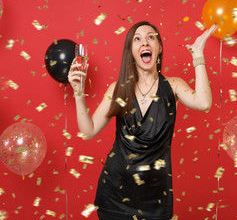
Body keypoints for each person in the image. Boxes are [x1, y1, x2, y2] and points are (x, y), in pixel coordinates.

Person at [68, 21, 218, 220]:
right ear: (131, 50)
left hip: (156, 199)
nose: (144, 43)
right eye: (137, 39)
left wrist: (198, 54)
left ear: (159, 47)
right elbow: (88, 131)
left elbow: (203, 102)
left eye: (150, 38)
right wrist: (79, 93)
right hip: (115, 195)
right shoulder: (118, 88)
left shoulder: (173, 86)